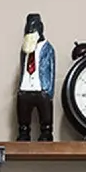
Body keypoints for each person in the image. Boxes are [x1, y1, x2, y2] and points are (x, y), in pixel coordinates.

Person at [15, 13, 56, 142]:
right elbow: (23, 66)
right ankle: (24, 132)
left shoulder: (47, 48)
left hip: (41, 87)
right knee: (23, 113)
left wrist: (48, 90)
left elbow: (51, 69)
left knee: (45, 114)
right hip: (26, 87)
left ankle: (46, 132)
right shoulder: (24, 49)